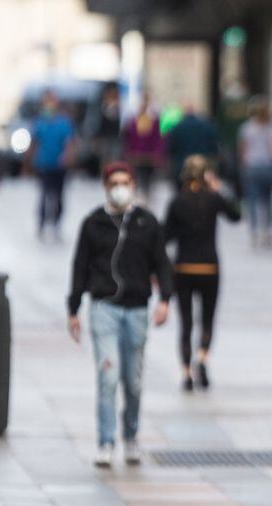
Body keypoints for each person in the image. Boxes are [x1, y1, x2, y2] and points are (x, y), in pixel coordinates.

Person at [67, 161, 173, 469]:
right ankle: (106, 440)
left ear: (134, 185)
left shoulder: (146, 222)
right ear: (105, 186)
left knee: (133, 381)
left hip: (137, 309)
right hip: (104, 308)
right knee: (108, 376)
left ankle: (131, 435)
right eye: (114, 182)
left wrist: (165, 299)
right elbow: (79, 266)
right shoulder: (93, 224)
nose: (120, 188)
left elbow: (162, 263)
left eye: (125, 182)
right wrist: (72, 309)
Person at [163, 155, 242, 391]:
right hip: (210, 267)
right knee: (207, 318)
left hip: (184, 267)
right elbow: (236, 215)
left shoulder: (177, 201)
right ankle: (203, 357)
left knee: (186, 321)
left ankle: (186, 373)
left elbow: (166, 235)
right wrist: (219, 190)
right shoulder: (214, 198)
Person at [238, 96, 272, 248]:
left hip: (252, 167)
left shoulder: (246, 128)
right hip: (268, 167)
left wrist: (243, 165)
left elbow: (243, 150)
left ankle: (254, 230)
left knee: (252, 200)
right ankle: (269, 230)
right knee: (269, 200)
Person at [28, 90, 77, 241]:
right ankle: (42, 223)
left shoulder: (64, 122)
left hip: (59, 166)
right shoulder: (39, 122)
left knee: (58, 195)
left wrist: (67, 157)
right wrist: (29, 161)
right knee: (44, 194)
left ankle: (56, 223)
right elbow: (34, 143)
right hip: (43, 164)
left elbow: (70, 142)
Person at [121, 93, 164, 204]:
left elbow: (157, 139)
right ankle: (135, 199)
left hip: (149, 156)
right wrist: (128, 153)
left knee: (148, 180)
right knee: (135, 178)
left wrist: (156, 154)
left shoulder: (154, 122)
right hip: (136, 155)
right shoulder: (132, 121)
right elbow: (128, 138)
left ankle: (146, 199)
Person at [166, 105, 219, 186]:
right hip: (202, 166)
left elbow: (171, 148)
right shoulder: (206, 126)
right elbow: (213, 147)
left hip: (183, 167)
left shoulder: (177, 128)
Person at [95, 82, 122, 168]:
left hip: (115, 137)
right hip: (105, 137)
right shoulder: (102, 106)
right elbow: (99, 123)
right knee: (105, 158)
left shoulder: (119, 106)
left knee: (114, 159)